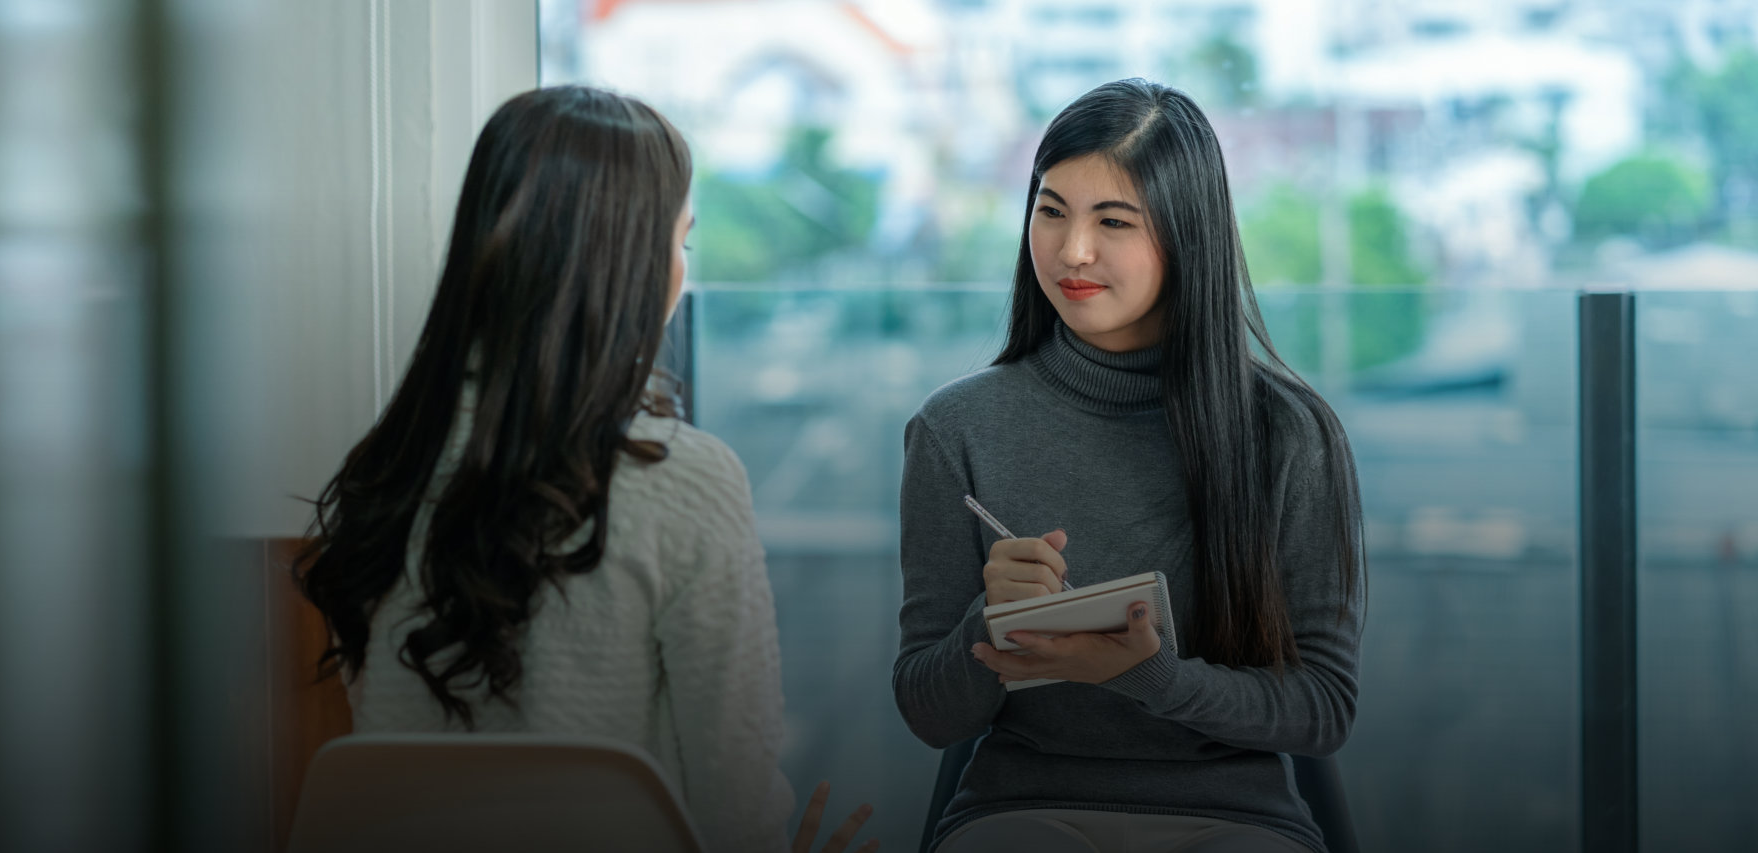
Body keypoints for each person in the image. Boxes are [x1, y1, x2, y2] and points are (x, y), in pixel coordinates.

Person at [296, 85, 876, 853]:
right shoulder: (687, 479)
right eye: (682, 242)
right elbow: (733, 793)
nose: (682, 270)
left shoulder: (384, 473)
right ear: (632, 263)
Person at [893, 79, 1366, 853]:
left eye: (1113, 221)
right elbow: (927, 710)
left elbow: (1322, 707)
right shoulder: (957, 428)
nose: (1072, 250)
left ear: (1186, 235)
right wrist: (991, 623)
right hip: (1021, 808)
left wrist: (1154, 675)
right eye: (1051, 212)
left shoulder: (1290, 432)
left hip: (1235, 818)